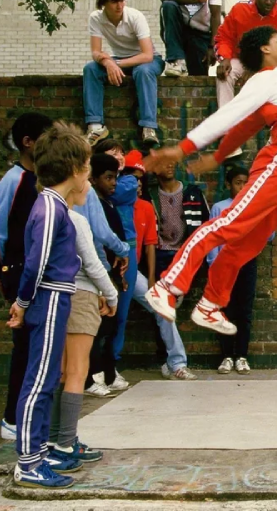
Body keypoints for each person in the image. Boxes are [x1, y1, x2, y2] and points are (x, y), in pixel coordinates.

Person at [145, 26, 277, 334]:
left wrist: (216, 156)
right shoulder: (266, 78)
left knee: (248, 243)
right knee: (226, 224)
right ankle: (167, 285)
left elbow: (247, 125)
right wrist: (183, 148)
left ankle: (210, 304)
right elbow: (230, 114)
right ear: (266, 50)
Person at [9, 122, 90, 489]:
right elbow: (35, 263)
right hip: (50, 298)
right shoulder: (51, 207)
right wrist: (23, 302)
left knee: (44, 377)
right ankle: (28, 462)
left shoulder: (51, 204)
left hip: (55, 296)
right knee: (39, 380)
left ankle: (39, 452)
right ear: (75, 169)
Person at [0, 112, 53, 441]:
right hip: (19, 277)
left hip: (42, 276)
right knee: (24, 349)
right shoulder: (13, 180)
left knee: (40, 351)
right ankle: (11, 418)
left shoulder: (45, 180)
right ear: (28, 142)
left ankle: (32, 415)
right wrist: (5, 277)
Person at [47, 179, 116, 468]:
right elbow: (92, 263)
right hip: (82, 295)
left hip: (56, 296)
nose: (88, 187)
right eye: (86, 179)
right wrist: (110, 293)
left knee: (61, 372)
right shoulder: (76, 219)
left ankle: (52, 439)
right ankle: (66, 442)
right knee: (78, 371)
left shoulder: (46, 214)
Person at [125, 151, 197, 381]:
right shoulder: (106, 204)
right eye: (129, 178)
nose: (135, 184)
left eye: (138, 179)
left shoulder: (145, 206)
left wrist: (153, 279)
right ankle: (99, 370)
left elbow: (149, 245)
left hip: (134, 270)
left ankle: (176, 362)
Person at [83, 0, 164, 147]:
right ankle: (95, 126)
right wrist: (108, 62)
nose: (119, 6)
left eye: (121, 0)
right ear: (103, 3)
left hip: (149, 60)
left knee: (142, 71)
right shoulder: (96, 18)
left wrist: (115, 64)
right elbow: (96, 52)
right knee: (91, 69)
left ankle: (148, 127)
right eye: (114, 2)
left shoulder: (135, 16)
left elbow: (147, 55)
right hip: (120, 59)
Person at [215, 0, 277, 109]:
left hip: (271, 64)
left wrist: (258, 68)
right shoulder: (239, 10)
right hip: (241, 60)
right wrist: (224, 58)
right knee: (225, 74)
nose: (268, 2)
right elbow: (224, 37)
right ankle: (226, 123)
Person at [208, 166, 259, 374]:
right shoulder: (220, 208)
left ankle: (242, 356)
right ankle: (227, 356)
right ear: (229, 185)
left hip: (247, 264)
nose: (242, 187)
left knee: (244, 313)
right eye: (238, 183)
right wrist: (214, 266)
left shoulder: (255, 207)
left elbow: (268, 236)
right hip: (225, 266)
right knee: (224, 311)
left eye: (246, 183)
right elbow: (212, 238)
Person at [92, 140, 137, 366]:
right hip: (105, 251)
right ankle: (99, 368)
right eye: (112, 153)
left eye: (122, 152)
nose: (119, 157)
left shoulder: (129, 180)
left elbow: (121, 191)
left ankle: (111, 364)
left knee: (120, 312)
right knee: (105, 310)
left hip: (127, 249)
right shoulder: (92, 195)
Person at [84, 154, 126, 397]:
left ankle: (107, 373)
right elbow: (99, 236)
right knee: (97, 327)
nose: (113, 183)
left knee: (110, 325)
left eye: (115, 178)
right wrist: (124, 250)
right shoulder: (92, 201)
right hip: (97, 272)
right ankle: (92, 377)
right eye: (108, 178)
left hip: (108, 270)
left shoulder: (108, 204)